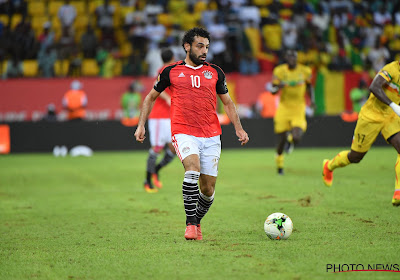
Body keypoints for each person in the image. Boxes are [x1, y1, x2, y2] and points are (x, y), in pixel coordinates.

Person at [134, 27, 249, 240]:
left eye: (206, 46)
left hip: (212, 134)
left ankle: (197, 220)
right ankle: (191, 224)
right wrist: (141, 125)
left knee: (208, 189)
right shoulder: (171, 72)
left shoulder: (215, 72)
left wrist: (239, 128)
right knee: (192, 169)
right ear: (187, 46)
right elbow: (150, 97)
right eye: (199, 46)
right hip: (183, 131)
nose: (204, 50)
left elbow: (228, 102)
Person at [322, 60, 400, 207]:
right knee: (356, 156)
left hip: (390, 117)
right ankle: (329, 165)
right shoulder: (391, 69)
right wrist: (394, 105)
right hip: (371, 116)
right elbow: (374, 87)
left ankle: (398, 192)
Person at [266, 49, 314, 175]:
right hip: (284, 108)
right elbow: (273, 91)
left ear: (297, 58)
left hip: (298, 107)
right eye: (290, 57)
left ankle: (291, 140)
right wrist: (278, 87)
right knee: (281, 139)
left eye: (294, 57)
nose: (292, 59)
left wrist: (312, 100)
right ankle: (280, 165)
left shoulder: (305, 71)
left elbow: (309, 86)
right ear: (286, 59)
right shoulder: (280, 71)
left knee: (297, 136)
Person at [143, 49, 176, 193]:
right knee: (156, 148)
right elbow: (156, 87)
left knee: (174, 149)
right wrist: (167, 98)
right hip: (158, 117)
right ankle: (147, 181)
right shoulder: (163, 70)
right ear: (173, 57)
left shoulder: (173, 70)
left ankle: (156, 170)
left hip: (169, 116)